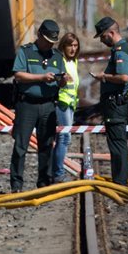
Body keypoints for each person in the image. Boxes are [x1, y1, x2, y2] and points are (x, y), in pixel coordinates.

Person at [9, 19, 64, 192]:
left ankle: (44, 182)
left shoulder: (57, 56)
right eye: (47, 41)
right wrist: (41, 78)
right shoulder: (26, 52)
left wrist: (62, 81)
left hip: (48, 105)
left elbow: (61, 80)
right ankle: (16, 183)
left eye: (52, 42)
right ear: (39, 35)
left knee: (46, 145)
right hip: (27, 105)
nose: (49, 45)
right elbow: (18, 75)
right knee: (20, 145)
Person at [92, 17, 128, 186]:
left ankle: (120, 183)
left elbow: (124, 77)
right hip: (117, 103)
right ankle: (120, 180)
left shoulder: (120, 51)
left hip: (116, 104)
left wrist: (104, 76)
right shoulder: (121, 49)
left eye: (102, 36)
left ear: (111, 33)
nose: (102, 40)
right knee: (117, 143)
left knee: (117, 144)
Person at [51, 32, 80, 183]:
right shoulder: (60, 60)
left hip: (70, 104)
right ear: (64, 46)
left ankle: (57, 171)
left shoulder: (73, 62)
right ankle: (58, 173)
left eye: (75, 46)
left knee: (64, 138)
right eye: (70, 45)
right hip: (62, 103)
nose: (73, 49)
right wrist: (62, 80)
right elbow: (57, 82)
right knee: (64, 137)